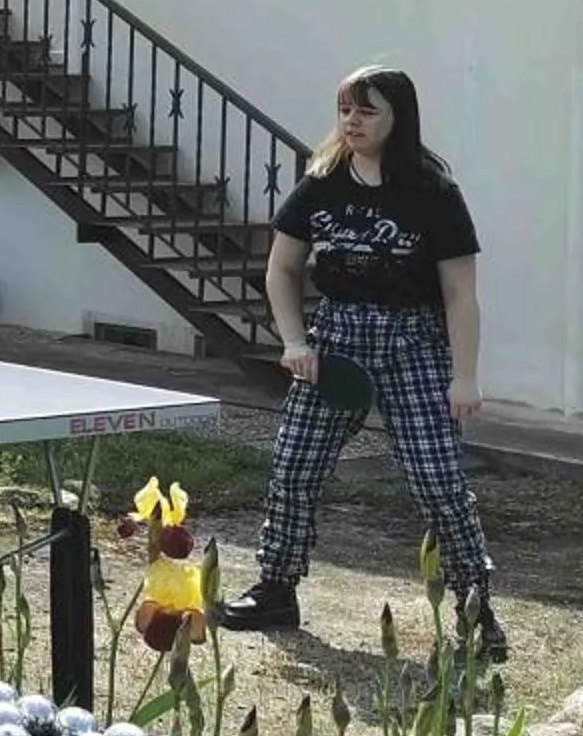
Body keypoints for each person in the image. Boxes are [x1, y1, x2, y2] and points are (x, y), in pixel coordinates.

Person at [216, 65, 505, 660]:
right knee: (294, 465)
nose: (352, 121)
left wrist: (465, 376)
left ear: (398, 117)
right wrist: (295, 341)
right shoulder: (322, 182)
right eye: (346, 109)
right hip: (338, 340)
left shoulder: (433, 192)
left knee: (437, 480)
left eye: (367, 111)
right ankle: (276, 588)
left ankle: (476, 610)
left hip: (414, 343)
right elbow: (283, 269)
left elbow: (460, 293)